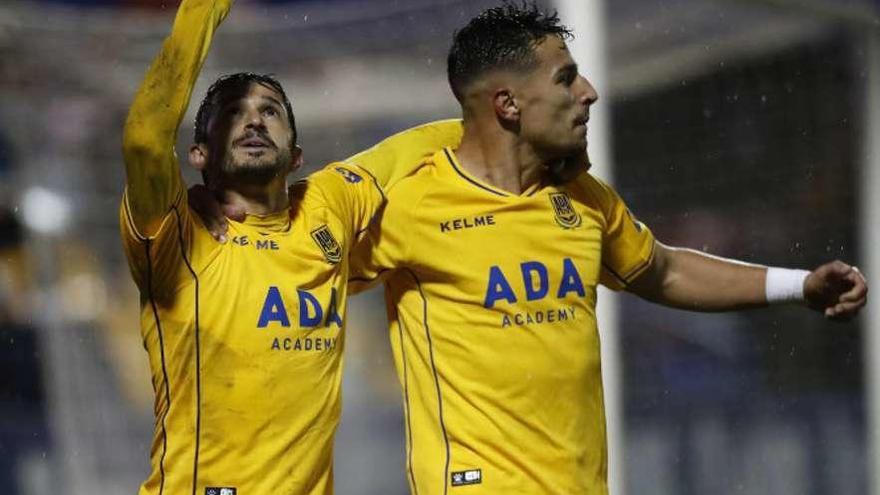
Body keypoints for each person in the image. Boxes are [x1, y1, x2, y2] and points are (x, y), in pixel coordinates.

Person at [343, 3, 868, 494]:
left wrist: (798, 285)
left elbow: (662, 271)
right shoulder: (409, 205)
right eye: (565, 79)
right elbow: (303, 276)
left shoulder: (581, 198)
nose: (588, 92)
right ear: (507, 103)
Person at [120, 0, 460, 494]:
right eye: (233, 113)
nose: (254, 122)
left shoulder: (327, 207)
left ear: (297, 155)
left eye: (270, 112)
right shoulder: (178, 235)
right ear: (197, 154)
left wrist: (501, 117)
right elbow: (144, 141)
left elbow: (411, 149)